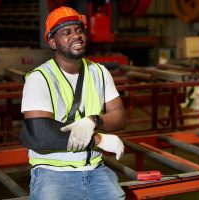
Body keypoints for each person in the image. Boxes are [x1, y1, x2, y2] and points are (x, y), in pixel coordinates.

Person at [20, 6, 127, 200]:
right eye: (66, 32)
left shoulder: (100, 72)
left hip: (95, 169)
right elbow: (41, 136)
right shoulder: (40, 78)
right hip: (52, 173)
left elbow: (119, 114)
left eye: (79, 30)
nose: (76, 36)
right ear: (53, 42)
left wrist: (94, 121)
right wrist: (99, 140)